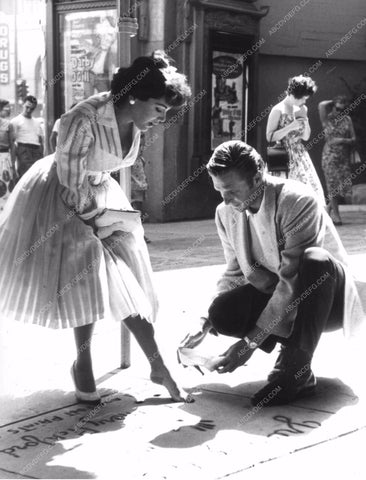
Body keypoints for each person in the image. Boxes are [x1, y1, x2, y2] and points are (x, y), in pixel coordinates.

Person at [0, 51, 192, 404]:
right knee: (86, 277)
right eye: (159, 110)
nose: (161, 119)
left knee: (126, 278)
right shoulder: (82, 118)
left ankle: (157, 365)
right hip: (60, 194)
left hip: (101, 192)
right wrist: (96, 220)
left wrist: (119, 212)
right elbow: (71, 182)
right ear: (134, 96)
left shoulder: (136, 117)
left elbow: (121, 163)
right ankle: (84, 364)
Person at [180, 141, 364, 406]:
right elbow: (234, 273)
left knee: (315, 261)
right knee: (222, 312)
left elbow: (293, 281)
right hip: (280, 293)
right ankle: (291, 356)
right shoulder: (225, 213)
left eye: (231, 191)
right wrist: (204, 321)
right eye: (219, 190)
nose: (225, 200)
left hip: (328, 301)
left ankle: (295, 369)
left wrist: (249, 344)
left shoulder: (297, 200)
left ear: (257, 178)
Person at [266, 75, 325, 204]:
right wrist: (290, 127)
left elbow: (305, 137)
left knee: (308, 192)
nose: (304, 101)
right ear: (295, 94)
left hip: (300, 154)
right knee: (286, 194)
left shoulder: (303, 109)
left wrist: (306, 123)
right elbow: (269, 136)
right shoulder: (277, 110)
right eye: (303, 98)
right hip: (282, 154)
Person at [319, 96, 358, 225]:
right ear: (333, 107)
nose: (340, 112)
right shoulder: (327, 118)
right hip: (329, 157)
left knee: (343, 188)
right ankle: (336, 216)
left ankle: (329, 208)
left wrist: (341, 140)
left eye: (343, 109)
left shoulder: (347, 119)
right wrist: (333, 101)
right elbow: (321, 104)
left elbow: (353, 138)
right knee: (332, 187)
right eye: (338, 108)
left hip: (343, 157)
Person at [10, 95, 44, 177]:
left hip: (37, 150)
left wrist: (41, 152)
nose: (29, 110)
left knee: (37, 176)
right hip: (24, 149)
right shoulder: (15, 121)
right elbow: (12, 142)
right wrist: (13, 163)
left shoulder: (37, 122)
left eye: (32, 108)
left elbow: (40, 139)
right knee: (25, 177)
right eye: (27, 107)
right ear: (23, 104)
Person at [0, 99, 16, 212]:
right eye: (6, 107)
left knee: (4, 185)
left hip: (4, 158)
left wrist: (13, 165)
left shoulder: (8, 124)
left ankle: (4, 213)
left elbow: (12, 145)